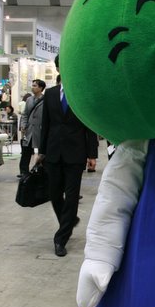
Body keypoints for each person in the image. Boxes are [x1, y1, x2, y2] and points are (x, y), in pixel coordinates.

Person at [38, 77, 98, 257]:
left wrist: (92, 154)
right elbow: (45, 124)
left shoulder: (81, 93)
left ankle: (61, 238)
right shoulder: (50, 94)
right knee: (54, 194)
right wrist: (41, 151)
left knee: (72, 197)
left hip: (76, 153)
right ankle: (69, 221)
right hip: (53, 152)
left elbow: (89, 125)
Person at [18, 79, 46, 177]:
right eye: (32, 85)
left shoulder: (45, 100)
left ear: (41, 88)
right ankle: (23, 172)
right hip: (29, 130)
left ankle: (41, 171)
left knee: (41, 151)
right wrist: (23, 125)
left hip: (40, 129)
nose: (32, 87)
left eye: (35, 86)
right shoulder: (29, 99)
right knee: (25, 151)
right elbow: (25, 114)